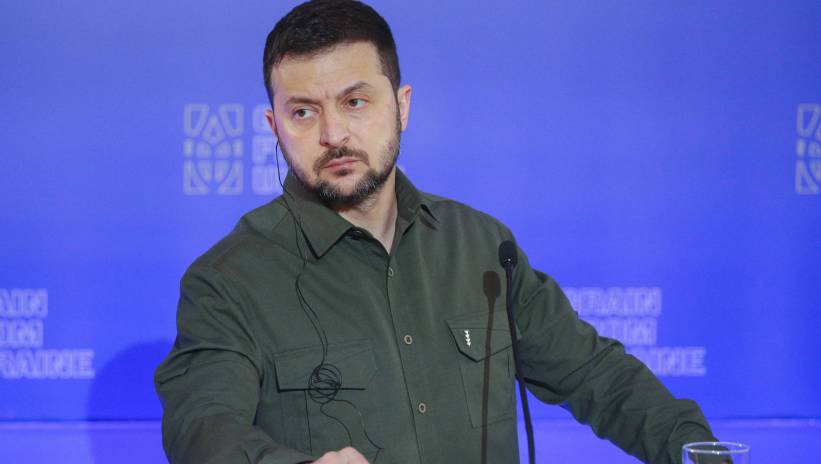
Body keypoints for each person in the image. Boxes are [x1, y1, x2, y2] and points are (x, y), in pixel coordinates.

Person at [155, 1, 718, 463]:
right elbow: (203, 429)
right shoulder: (229, 280)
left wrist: (699, 452)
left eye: (355, 101)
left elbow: (598, 376)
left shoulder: (482, 247)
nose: (333, 133)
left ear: (401, 107)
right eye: (303, 112)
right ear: (273, 127)